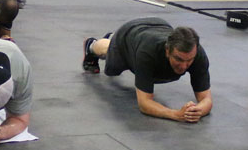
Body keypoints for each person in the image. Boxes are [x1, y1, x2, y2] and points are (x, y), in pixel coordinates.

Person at [82, 18, 212, 123]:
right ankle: (94, 44)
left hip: (159, 27)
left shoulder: (197, 54)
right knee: (111, 67)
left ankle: (111, 40)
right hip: (128, 35)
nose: (184, 66)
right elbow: (144, 104)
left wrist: (197, 111)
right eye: (178, 59)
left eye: (189, 60)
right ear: (167, 51)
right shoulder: (148, 52)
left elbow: (206, 99)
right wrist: (176, 114)